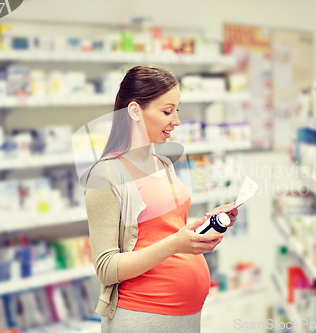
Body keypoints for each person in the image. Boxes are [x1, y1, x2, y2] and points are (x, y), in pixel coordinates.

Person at [83, 65, 238, 333]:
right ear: (134, 111)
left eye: (177, 110)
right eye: (167, 111)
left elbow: (165, 230)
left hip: (186, 316)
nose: (176, 120)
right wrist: (176, 244)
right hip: (143, 317)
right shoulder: (106, 174)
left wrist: (208, 222)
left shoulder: (163, 163)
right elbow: (107, 268)